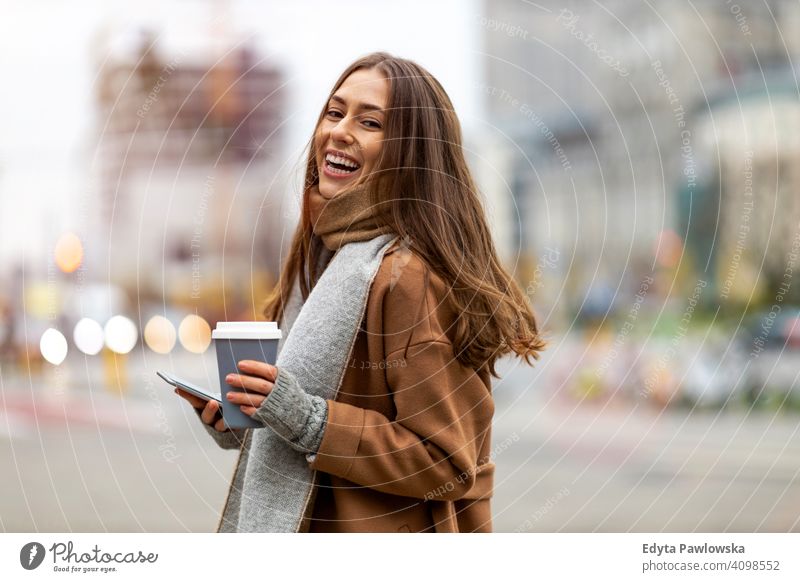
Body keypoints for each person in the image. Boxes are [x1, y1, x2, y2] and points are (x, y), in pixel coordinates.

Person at [176, 51, 547, 533]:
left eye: (369, 122)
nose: (340, 130)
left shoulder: (404, 275)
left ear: (410, 152)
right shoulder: (323, 257)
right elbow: (310, 419)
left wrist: (307, 420)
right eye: (334, 112)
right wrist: (245, 415)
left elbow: (447, 461)